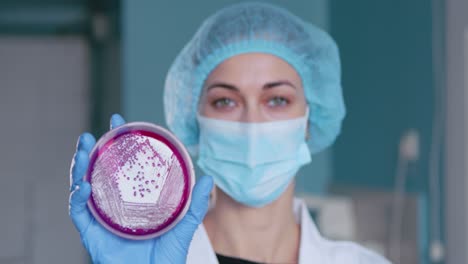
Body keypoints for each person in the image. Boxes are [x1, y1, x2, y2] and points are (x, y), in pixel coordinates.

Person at [69, 2, 391, 263]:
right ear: (197, 121)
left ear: (309, 119)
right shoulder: (161, 259)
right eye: (225, 101)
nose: (251, 123)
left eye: (277, 99)